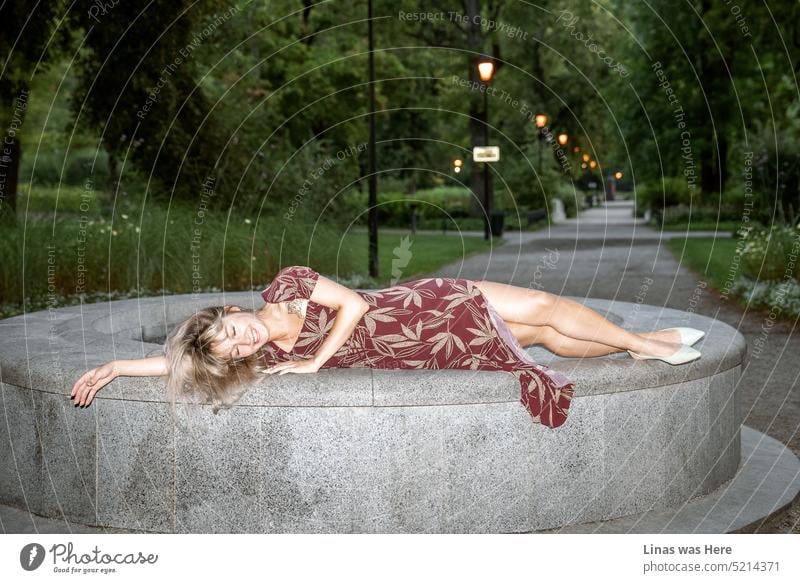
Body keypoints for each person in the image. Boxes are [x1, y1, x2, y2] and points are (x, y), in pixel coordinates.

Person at [70, 265, 703, 428]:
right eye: (233, 352)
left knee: (537, 308)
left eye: (233, 331)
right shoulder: (265, 357)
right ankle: (629, 349)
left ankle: (644, 343)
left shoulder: (286, 287)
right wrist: (117, 364)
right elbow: (176, 364)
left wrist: (316, 359)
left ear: (232, 312)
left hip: (425, 305)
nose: (243, 344)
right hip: (422, 349)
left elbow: (356, 305)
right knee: (541, 338)